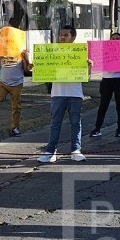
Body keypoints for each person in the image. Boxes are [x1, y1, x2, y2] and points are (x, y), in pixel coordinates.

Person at [38, 27, 88, 163]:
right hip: (58, 93)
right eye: (61, 35)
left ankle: (75, 150)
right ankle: (50, 151)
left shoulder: (80, 53)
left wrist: (88, 67)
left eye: (65, 35)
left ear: (73, 37)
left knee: (75, 123)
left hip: (75, 94)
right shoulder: (52, 52)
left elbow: (85, 77)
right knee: (55, 123)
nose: (62, 37)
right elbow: (43, 70)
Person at [90, 32, 120, 139]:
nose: (115, 40)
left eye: (118, 38)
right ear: (109, 40)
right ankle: (97, 128)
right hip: (107, 80)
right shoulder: (104, 49)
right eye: (113, 38)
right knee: (103, 105)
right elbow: (96, 59)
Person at [0, 46, 32, 138]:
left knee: (16, 107)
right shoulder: (1, 50)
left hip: (17, 83)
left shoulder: (20, 52)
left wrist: (26, 58)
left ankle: (15, 128)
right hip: (3, 83)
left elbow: (27, 70)